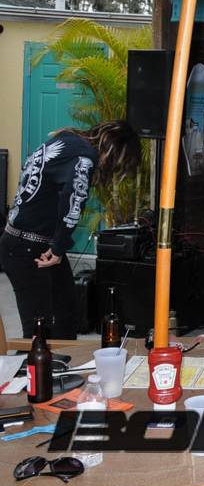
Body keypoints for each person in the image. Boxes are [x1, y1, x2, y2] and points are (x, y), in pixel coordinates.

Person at [1, 120, 140, 338]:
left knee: (67, 315)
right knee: (39, 330)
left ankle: (62, 359)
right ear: (108, 141)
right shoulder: (85, 155)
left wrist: (56, 247)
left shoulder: (67, 139)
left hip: (34, 244)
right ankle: (37, 362)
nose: (109, 165)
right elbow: (74, 198)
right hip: (26, 247)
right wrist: (59, 247)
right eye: (115, 158)